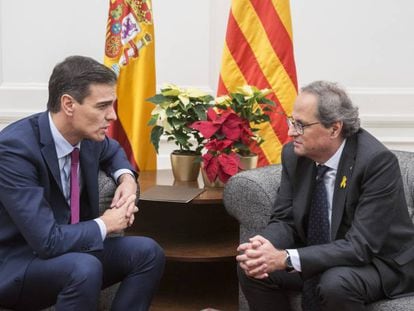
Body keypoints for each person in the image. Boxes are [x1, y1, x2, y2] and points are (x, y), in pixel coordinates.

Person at [0, 55, 165, 310]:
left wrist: (127, 178)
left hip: (73, 251)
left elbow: (113, 152)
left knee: (147, 252)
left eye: (113, 105)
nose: (112, 116)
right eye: (102, 106)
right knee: (84, 267)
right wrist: (106, 223)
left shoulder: (88, 137)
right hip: (19, 263)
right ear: (69, 104)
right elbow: (47, 241)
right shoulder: (15, 150)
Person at [236, 81, 414, 311]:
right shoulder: (295, 155)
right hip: (324, 254)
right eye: (292, 122)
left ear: (334, 128)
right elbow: (285, 219)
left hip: (380, 262)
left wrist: (287, 259)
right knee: (254, 269)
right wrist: (264, 246)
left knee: (335, 283)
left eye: (300, 125)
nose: (290, 132)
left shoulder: (375, 163)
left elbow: (361, 247)